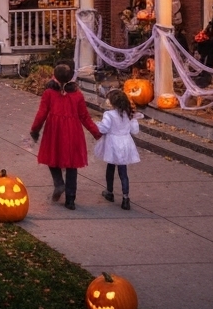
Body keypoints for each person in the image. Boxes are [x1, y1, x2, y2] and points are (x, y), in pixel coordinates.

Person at [29, 62, 101, 210]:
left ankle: (58, 183)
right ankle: (70, 199)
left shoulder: (49, 93)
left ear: (55, 76)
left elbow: (41, 113)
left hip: (54, 130)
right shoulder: (77, 95)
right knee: (71, 165)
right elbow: (85, 117)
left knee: (52, 157)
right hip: (73, 132)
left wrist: (35, 130)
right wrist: (96, 132)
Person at [95, 89, 142, 210]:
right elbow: (134, 131)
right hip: (125, 143)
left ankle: (109, 191)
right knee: (123, 172)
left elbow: (104, 129)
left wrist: (96, 124)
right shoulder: (128, 114)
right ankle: (126, 198)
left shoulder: (109, 114)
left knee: (110, 167)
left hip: (112, 144)